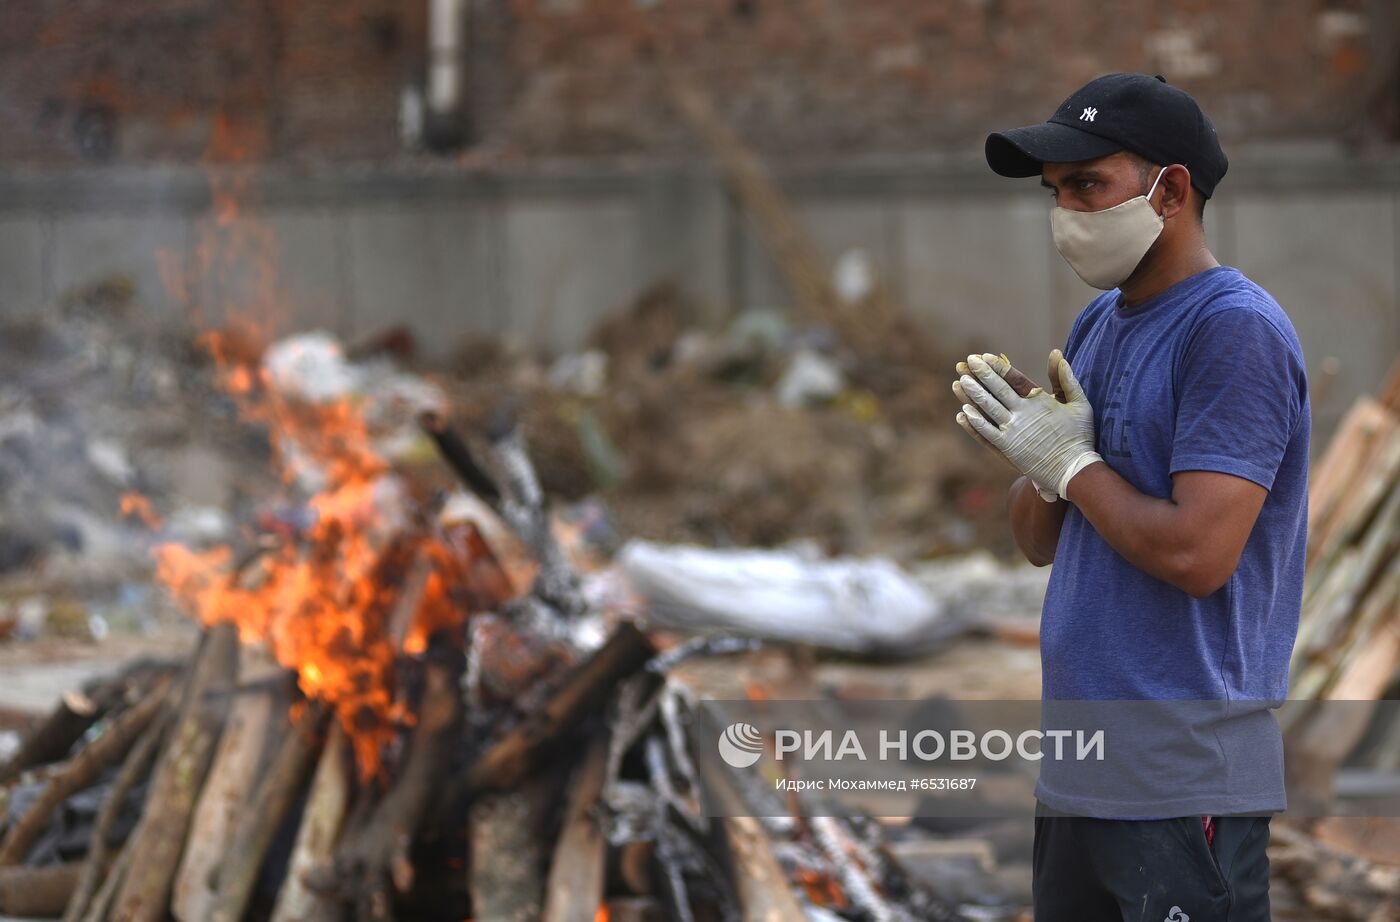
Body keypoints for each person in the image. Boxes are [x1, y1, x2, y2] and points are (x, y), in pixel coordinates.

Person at [954, 73, 1310, 921]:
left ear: (1171, 189)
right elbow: (1041, 541)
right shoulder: (1101, 324)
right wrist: (1040, 459)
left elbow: (1198, 554)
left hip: (1183, 781)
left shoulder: (1234, 331)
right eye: (1055, 192)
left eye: (1087, 185)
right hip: (1080, 776)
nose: (1065, 213)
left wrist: (1077, 469)